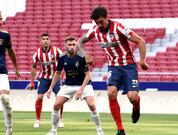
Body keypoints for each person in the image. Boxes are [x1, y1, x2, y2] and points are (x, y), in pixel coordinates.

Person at [78, 6, 149, 135]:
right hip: (113, 66)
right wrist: (85, 55)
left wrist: (143, 61)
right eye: (97, 22)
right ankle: (120, 129)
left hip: (129, 66)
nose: (99, 24)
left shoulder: (118, 28)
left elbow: (141, 41)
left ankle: (136, 106)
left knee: (132, 97)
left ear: (107, 17)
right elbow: (79, 42)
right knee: (111, 93)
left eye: (101, 21)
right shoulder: (94, 30)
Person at [46, 36, 104, 135]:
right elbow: (57, 73)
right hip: (68, 85)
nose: (72, 47)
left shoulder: (81, 57)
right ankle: (53, 130)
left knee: (92, 105)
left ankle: (99, 130)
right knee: (56, 105)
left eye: (74, 45)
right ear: (65, 46)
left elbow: (88, 76)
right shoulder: (62, 57)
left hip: (84, 85)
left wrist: (81, 90)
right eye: (70, 45)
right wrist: (50, 88)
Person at [29, 33, 64, 128]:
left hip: (55, 77)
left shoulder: (56, 51)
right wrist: (32, 82)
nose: (45, 40)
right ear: (41, 41)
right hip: (43, 77)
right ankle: (38, 120)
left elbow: (64, 62)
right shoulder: (37, 53)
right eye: (43, 39)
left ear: (50, 40)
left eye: (47, 38)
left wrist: (63, 75)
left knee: (60, 98)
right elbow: (33, 67)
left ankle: (60, 119)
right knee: (40, 97)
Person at [0, 11, 21, 135]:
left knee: (5, 99)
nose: (1, 19)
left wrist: (16, 67)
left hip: (1, 72)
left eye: (1, 18)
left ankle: (9, 129)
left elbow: (11, 51)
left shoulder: (5, 35)